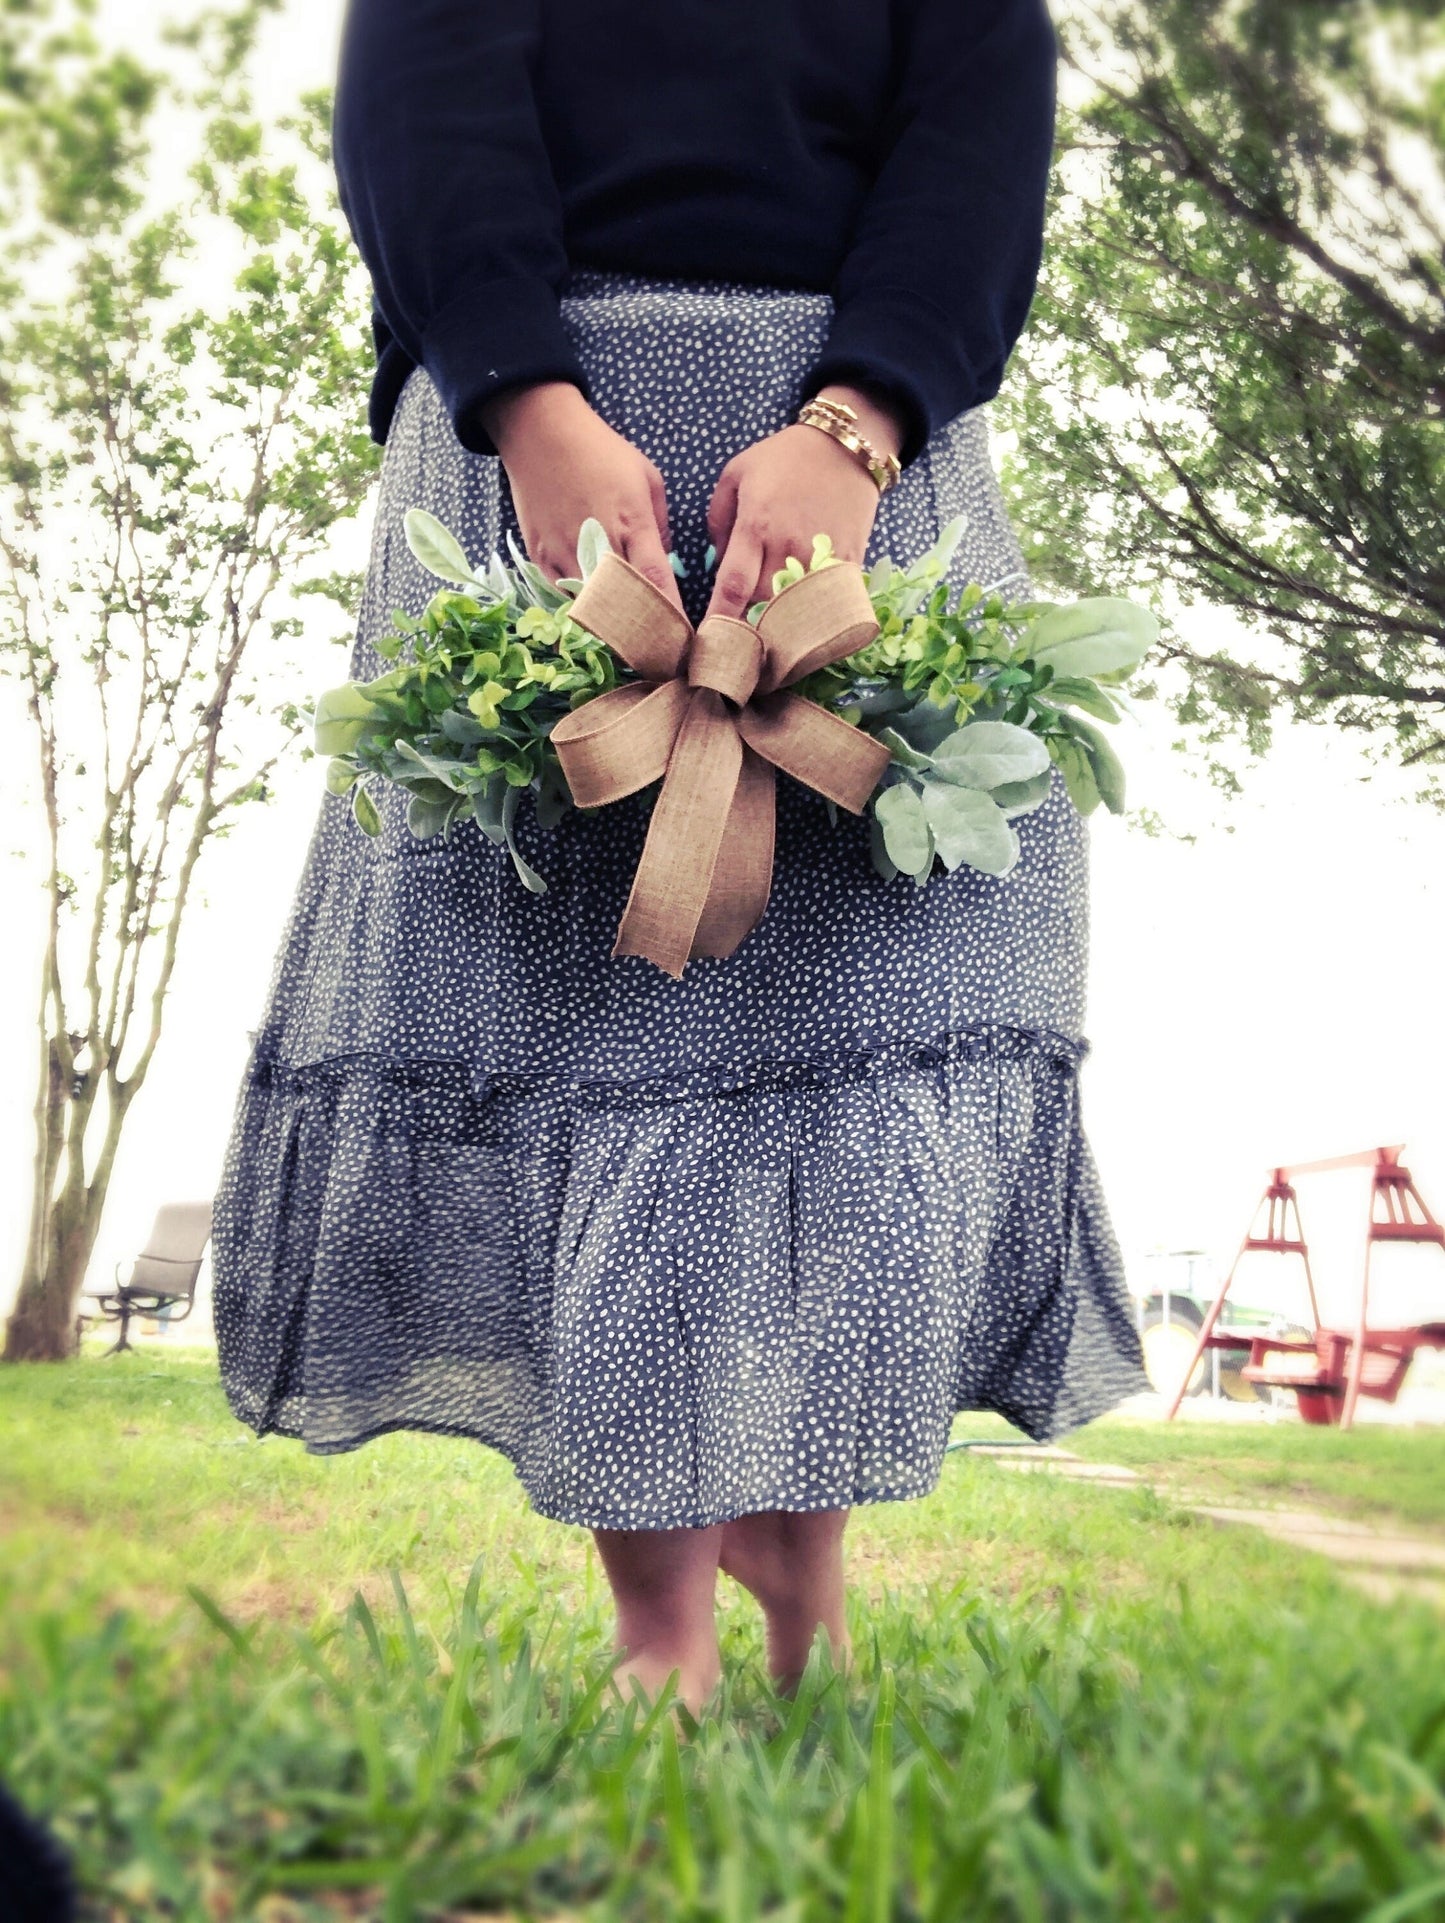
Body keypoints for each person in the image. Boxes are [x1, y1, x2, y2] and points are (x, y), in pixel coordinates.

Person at [211, 0, 1150, 1717]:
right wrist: (529, 403)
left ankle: (801, 1581)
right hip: (545, 462)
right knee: (587, 1006)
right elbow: (423, 100)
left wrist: (857, 425)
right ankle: (664, 1628)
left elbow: (975, 132)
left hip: (860, 469)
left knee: (861, 992)